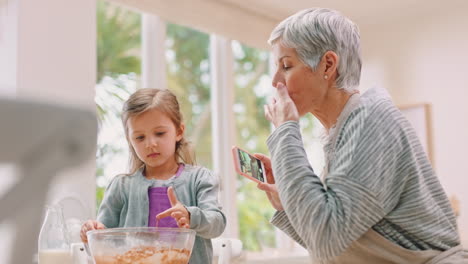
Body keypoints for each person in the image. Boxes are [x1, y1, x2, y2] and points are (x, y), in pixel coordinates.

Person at [255, 8, 468, 264]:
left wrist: (286, 129)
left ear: (328, 64)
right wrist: (287, 200)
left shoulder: (372, 120)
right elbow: (338, 238)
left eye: (286, 66)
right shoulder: (342, 134)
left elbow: (327, 239)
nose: (275, 81)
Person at [81, 88, 226, 264]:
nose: (150, 144)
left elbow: (217, 223)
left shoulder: (200, 179)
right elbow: (103, 244)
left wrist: (190, 216)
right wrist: (92, 234)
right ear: (130, 141)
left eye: (159, 133)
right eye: (140, 137)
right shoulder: (121, 187)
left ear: (179, 131)